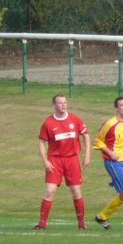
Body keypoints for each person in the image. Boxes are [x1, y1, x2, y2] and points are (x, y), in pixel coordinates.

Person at [32, 94, 91, 230]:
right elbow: (41, 142)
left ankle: (81, 223)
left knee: (76, 191)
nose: (63, 105)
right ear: (54, 105)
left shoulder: (74, 119)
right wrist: (45, 161)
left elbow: (86, 135)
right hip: (55, 160)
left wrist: (87, 155)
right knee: (50, 191)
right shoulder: (48, 122)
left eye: (65, 102)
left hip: (72, 160)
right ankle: (41, 224)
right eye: (60, 103)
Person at [93, 96, 123, 230]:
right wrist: (110, 153)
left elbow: (119, 138)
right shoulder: (110, 124)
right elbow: (98, 141)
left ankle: (102, 216)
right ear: (116, 109)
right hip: (113, 162)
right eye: (122, 105)